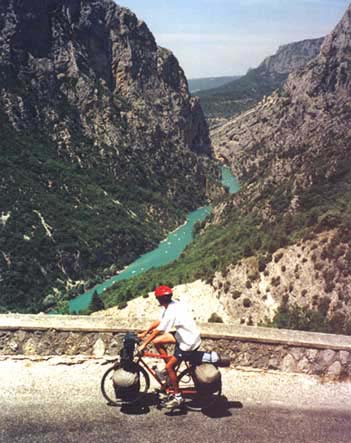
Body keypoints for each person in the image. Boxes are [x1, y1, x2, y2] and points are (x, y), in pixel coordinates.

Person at [138, 285, 201, 409]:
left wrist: (144, 344)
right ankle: (169, 373)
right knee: (157, 342)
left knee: (169, 366)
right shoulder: (170, 305)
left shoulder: (172, 311)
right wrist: (145, 332)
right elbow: (159, 321)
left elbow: (159, 329)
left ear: (159, 299)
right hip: (183, 335)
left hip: (188, 342)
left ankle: (178, 397)